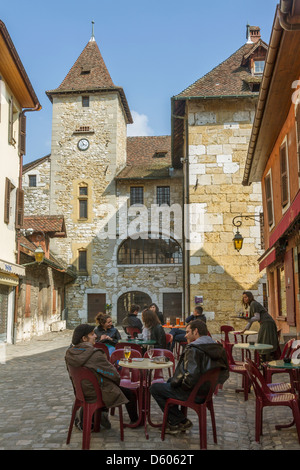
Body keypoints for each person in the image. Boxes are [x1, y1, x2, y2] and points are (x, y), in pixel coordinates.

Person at [150, 320, 229, 435]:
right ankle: (174, 422)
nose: (185, 335)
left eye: (187, 332)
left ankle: (179, 420)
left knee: (155, 388)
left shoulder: (193, 349)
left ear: (195, 331)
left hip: (193, 393)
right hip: (206, 392)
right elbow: (224, 374)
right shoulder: (217, 347)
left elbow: (191, 377)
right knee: (169, 381)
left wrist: (179, 384)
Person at [65, 323, 139, 430]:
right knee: (130, 393)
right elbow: (114, 375)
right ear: (84, 338)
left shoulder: (69, 353)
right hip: (97, 394)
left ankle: (94, 419)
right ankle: (135, 421)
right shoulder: (95, 354)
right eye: (92, 334)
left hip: (81, 392)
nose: (95, 336)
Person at [239, 291, 280, 361]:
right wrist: (244, 330)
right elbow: (251, 321)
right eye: (243, 298)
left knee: (263, 341)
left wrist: (248, 319)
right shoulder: (252, 304)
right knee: (262, 340)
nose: (244, 299)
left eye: (246, 297)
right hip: (265, 323)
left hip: (267, 323)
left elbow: (257, 318)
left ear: (250, 297)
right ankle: (264, 360)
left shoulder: (253, 304)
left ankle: (265, 360)